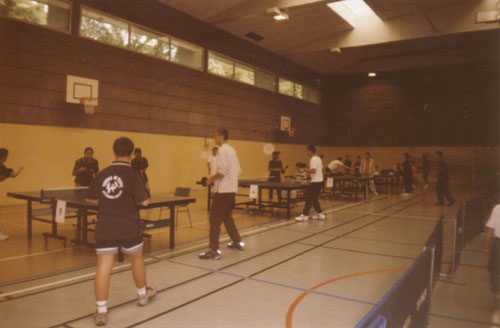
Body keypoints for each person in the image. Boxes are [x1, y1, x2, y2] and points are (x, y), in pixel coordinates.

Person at [86, 137, 155, 326]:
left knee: (103, 267)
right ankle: (142, 296)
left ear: (113, 151)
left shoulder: (103, 173)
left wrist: (110, 201)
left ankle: (101, 312)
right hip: (128, 225)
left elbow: (91, 199)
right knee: (137, 259)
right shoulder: (134, 174)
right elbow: (145, 202)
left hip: (106, 226)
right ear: (132, 153)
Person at [199, 128, 244, 260]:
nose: (214, 138)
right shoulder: (232, 150)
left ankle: (214, 250)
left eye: (216, 136)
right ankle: (237, 242)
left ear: (221, 136)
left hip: (223, 191)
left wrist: (210, 179)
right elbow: (239, 170)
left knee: (214, 219)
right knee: (226, 217)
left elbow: (223, 170)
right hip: (230, 191)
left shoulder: (222, 150)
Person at [296, 145, 325, 221]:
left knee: (309, 198)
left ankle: (304, 215)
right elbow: (321, 169)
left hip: (315, 182)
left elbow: (314, 171)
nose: (306, 152)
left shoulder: (312, 159)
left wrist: (303, 170)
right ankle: (320, 214)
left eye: (307, 150)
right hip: (320, 181)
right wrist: (307, 168)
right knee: (314, 199)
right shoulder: (318, 158)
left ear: (310, 151)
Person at [0, 148, 24, 240]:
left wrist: (4, 176)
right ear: (3, 156)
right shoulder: (1, 166)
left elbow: (1, 178)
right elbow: (13, 175)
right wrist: (19, 169)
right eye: (6, 156)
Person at [484, 202, 500, 307]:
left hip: (498, 244)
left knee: (495, 268)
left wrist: (486, 244)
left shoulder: (498, 208)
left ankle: (498, 292)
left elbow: (490, 228)